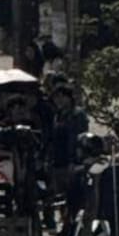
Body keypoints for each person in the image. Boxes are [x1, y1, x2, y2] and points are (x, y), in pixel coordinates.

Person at [48, 84, 89, 228]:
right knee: (59, 197)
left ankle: (71, 226)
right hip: (57, 162)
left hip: (71, 162)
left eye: (61, 97)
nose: (58, 100)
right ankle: (65, 225)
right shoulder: (58, 115)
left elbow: (77, 139)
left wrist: (74, 160)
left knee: (72, 196)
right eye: (55, 97)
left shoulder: (77, 115)